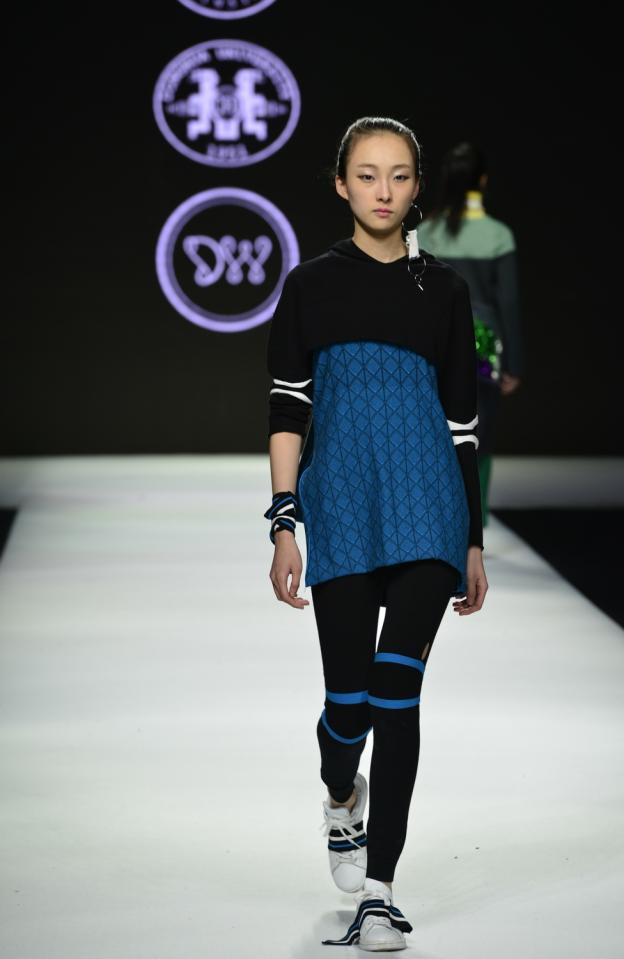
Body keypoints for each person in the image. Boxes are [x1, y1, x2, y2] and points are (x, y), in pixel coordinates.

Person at [263, 117, 488, 951]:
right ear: (341, 184)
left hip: (430, 508)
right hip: (344, 507)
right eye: (367, 174)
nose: (383, 191)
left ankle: (381, 893)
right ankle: (339, 794)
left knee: (397, 696)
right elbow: (289, 405)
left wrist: (471, 539)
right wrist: (284, 518)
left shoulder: (445, 291)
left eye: (398, 175)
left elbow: (463, 423)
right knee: (348, 706)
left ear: (417, 185)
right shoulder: (309, 285)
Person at [417, 142, 524, 533]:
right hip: (484, 348)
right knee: (481, 433)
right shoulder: (498, 235)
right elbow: (507, 301)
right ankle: (472, 526)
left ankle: (437, 521)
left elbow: (415, 298)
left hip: (437, 345)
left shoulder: (425, 233)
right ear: (483, 180)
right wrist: (514, 363)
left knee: (435, 433)